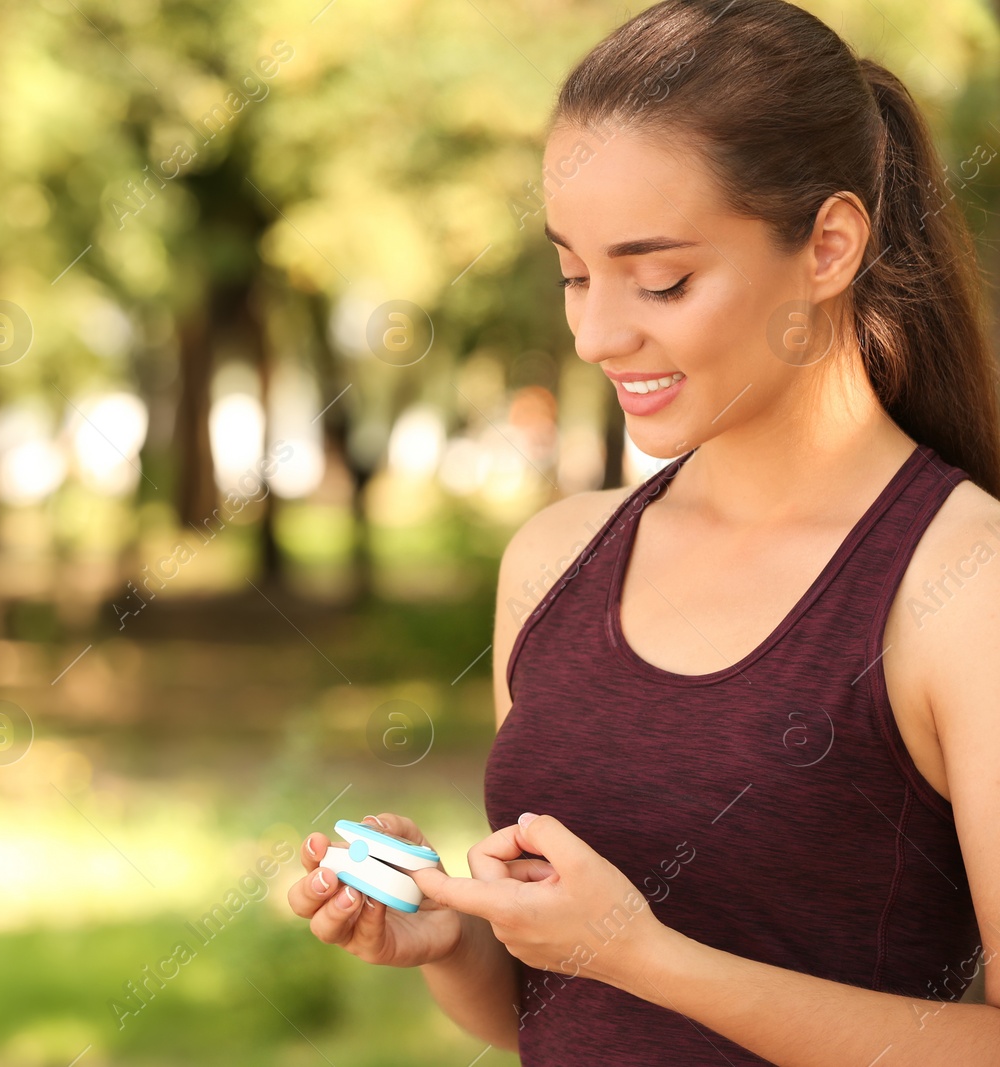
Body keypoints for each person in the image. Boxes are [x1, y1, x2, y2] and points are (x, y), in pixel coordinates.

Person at [286, 1, 1000, 1063]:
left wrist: (645, 952)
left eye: (660, 279)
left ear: (830, 245)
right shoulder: (553, 561)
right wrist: (451, 944)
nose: (594, 332)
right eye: (573, 272)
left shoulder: (961, 582)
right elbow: (548, 1013)